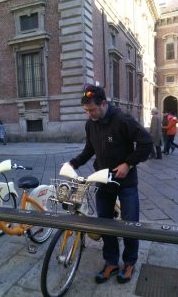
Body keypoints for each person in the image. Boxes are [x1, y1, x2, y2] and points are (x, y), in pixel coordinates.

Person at [69, 85, 152, 285]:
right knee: (104, 223)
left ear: (104, 104)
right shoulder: (91, 123)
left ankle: (130, 262)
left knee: (130, 224)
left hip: (126, 182)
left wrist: (128, 163)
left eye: (92, 110)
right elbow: (90, 148)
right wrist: (75, 162)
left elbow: (146, 142)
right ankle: (111, 262)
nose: (89, 114)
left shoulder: (122, 120)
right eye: (87, 111)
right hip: (103, 179)